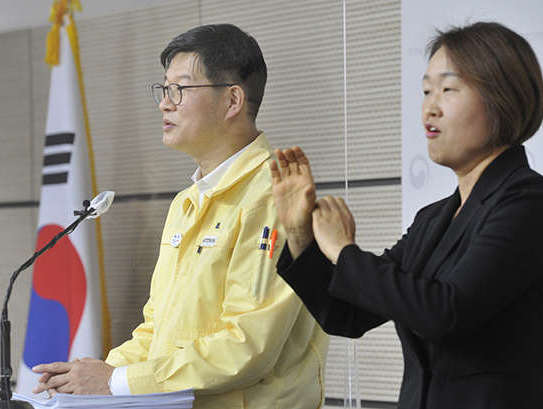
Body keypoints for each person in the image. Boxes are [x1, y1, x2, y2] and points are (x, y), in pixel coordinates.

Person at [270, 21, 543, 409]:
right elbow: (347, 314)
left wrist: (344, 251)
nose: (430, 106)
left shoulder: (530, 201)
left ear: (502, 98)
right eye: (426, 90)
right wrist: (300, 235)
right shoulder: (434, 218)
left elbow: (447, 313)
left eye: (448, 89)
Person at [32, 23, 329, 409]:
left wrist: (116, 381)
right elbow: (158, 330)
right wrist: (91, 375)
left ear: (233, 100)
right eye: (164, 89)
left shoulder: (273, 197)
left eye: (179, 89)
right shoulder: (185, 203)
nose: (164, 103)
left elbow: (248, 345)